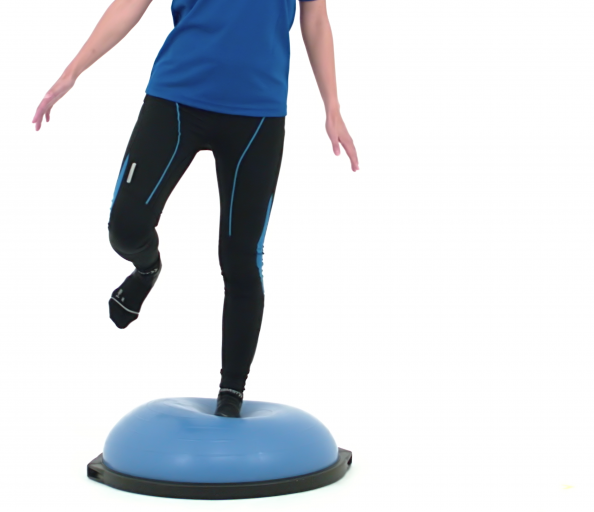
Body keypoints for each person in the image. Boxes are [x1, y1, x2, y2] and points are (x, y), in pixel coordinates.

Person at [32, 0, 359, 417]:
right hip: (177, 94)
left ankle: (231, 394)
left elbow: (315, 17)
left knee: (241, 260)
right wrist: (73, 71)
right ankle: (147, 269)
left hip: (257, 111)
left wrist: (332, 106)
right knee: (126, 226)